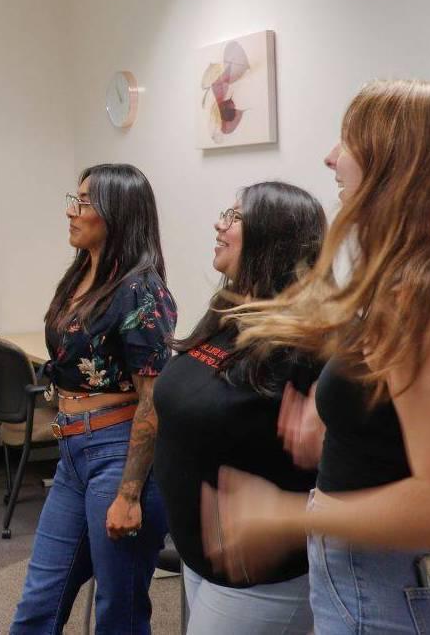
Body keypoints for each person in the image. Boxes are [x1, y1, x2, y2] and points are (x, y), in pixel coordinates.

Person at [207, 79, 430, 633]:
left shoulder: (421, 300)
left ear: (395, 165)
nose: (330, 156)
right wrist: (353, 428)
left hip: (391, 594)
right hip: (415, 590)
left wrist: (284, 516)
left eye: (347, 141)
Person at [152, 181, 325, 634]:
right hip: (201, 557)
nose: (218, 224)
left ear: (272, 235)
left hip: (262, 577)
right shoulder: (229, 310)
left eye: (234, 217)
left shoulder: (306, 340)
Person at [11, 164, 177, 634]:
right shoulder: (82, 274)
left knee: (117, 612)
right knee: (39, 602)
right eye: (75, 198)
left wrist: (129, 494)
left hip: (118, 455)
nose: (71, 211)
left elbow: (152, 400)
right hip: (73, 454)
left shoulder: (142, 291)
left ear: (117, 213)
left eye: (84, 203)